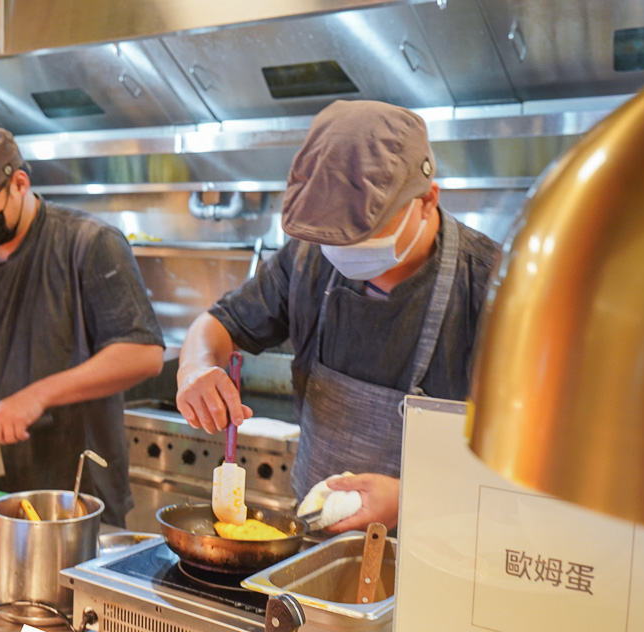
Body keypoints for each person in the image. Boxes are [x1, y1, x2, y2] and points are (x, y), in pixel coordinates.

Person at [176, 100, 501, 533]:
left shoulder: (492, 288)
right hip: (316, 543)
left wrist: (412, 500)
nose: (346, 255)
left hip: (440, 548)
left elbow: (538, 466)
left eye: (366, 236)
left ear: (427, 201)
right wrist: (196, 366)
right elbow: (219, 325)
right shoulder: (309, 258)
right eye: (336, 241)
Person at [0, 125, 165, 526]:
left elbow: (143, 354)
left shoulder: (89, 244)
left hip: (77, 497)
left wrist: (37, 396)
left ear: (20, 183)